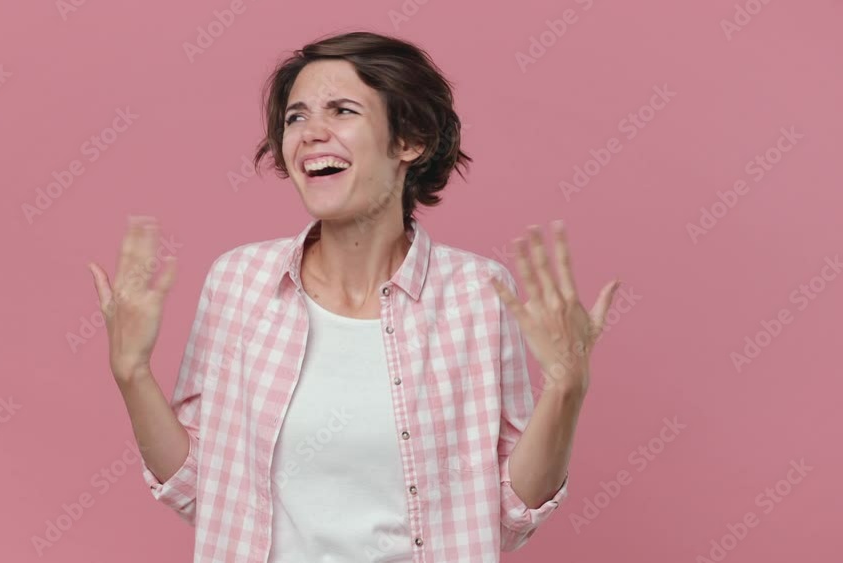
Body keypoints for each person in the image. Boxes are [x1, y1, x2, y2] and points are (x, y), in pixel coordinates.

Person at [88, 30, 621, 563]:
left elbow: (508, 513)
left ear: (409, 141)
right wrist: (132, 374)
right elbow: (202, 489)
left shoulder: (477, 296)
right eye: (296, 117)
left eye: (342, 111)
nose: (311, 134)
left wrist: (566, 388)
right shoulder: (239, 283)